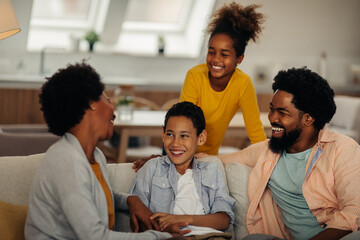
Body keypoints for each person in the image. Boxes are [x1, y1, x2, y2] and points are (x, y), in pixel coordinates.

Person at [25, 62, 187, 240]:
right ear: (91, 104)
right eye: (108, 101)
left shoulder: (95, 156)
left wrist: (130, 200)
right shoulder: (65, 162)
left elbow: (95, 195)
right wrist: (161, 238)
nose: (114, 113)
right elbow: (95, 237)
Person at [207, 67, 360, 240]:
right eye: (272, 109)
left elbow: (353, 213)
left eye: (282, 113)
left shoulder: (343, 149)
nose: (272, 118)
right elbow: (216, 160)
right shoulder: (266, 151)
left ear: (308, 119)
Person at [129, 101, 235, 239]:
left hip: (210, 237)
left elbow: (224, 220)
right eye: (170, 134)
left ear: (201, 138)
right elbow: (137, 219)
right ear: (163, 134)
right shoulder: (151, 168)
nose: (175, 143)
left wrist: (182, 219)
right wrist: (165, 230)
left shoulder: (211, 170)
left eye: (184, 136)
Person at [180, 1, 267, 155]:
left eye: (224, 54)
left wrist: (267, 162)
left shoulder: (243, 83)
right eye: (211, 51)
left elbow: (255, 132)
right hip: (180, 151)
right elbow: (184, 123)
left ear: (239, 59)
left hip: (209, 157)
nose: (216, 59)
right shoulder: (194, 76)